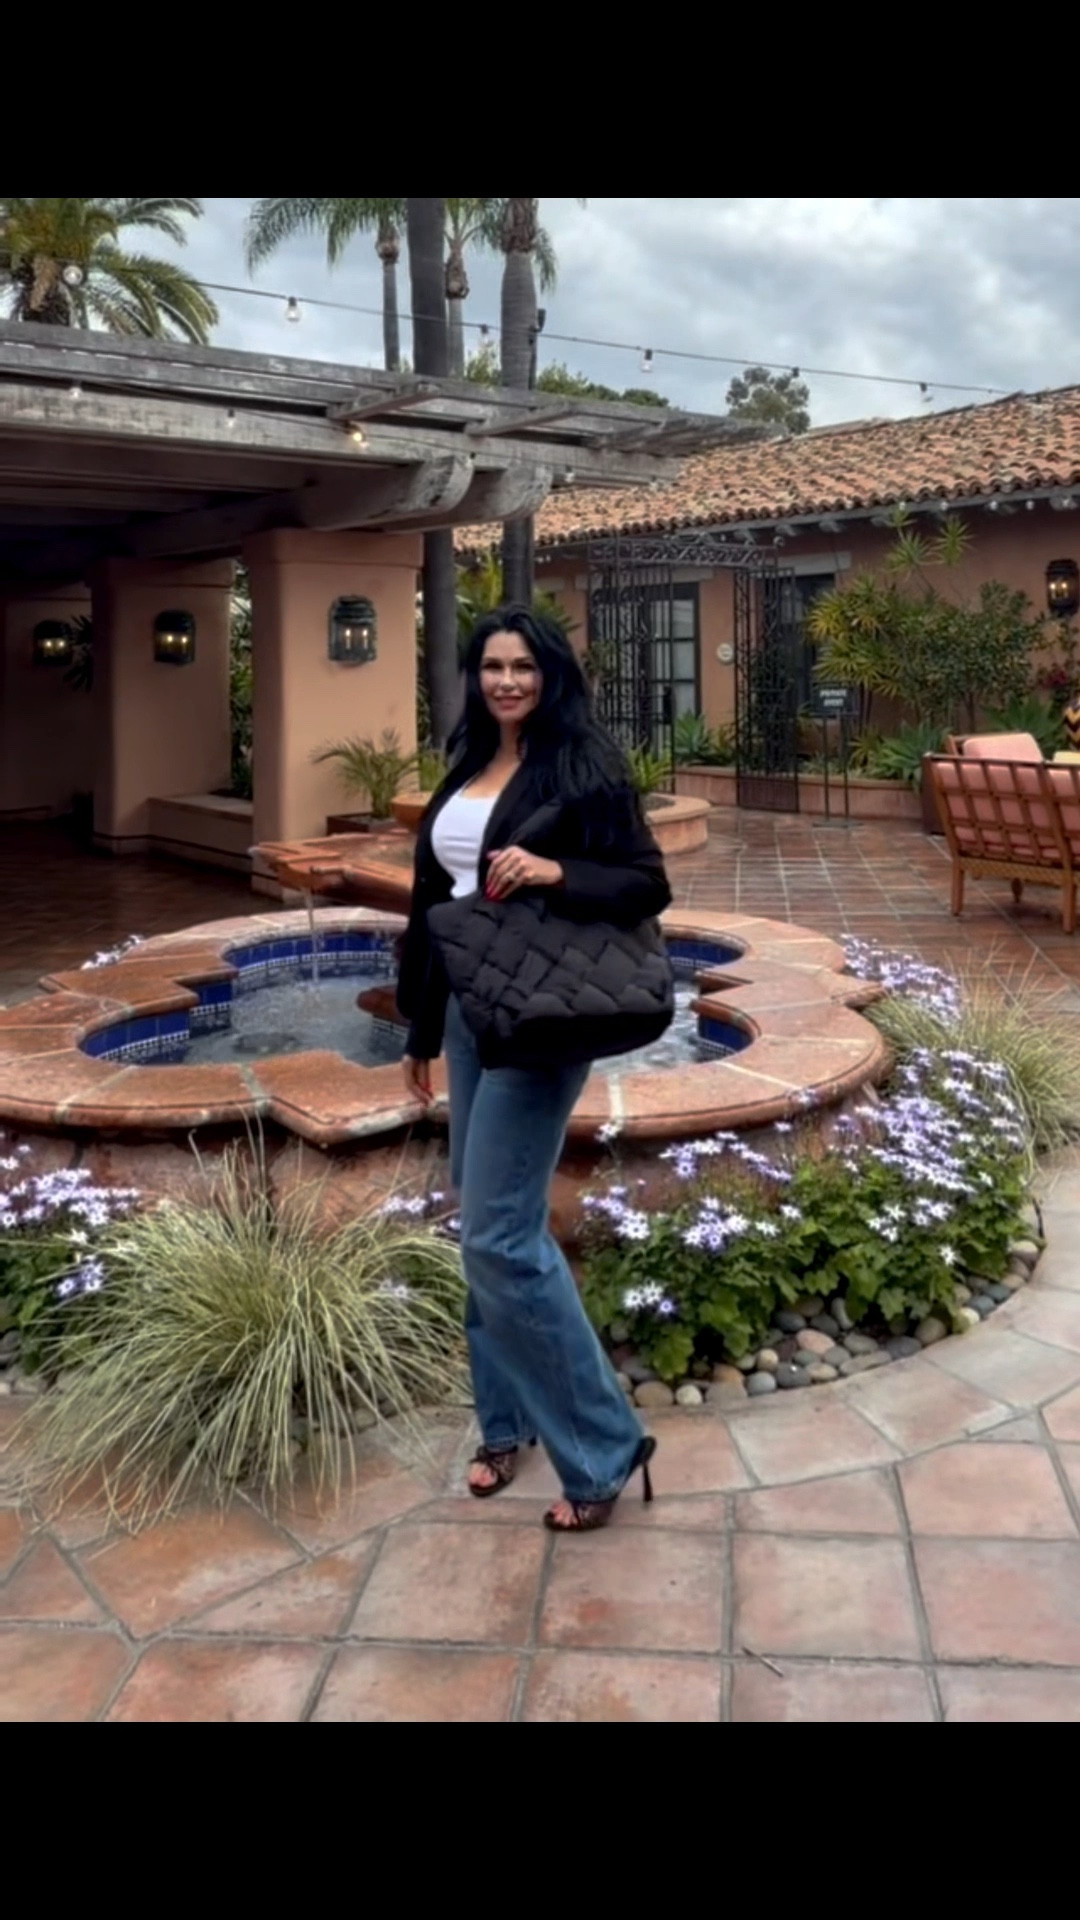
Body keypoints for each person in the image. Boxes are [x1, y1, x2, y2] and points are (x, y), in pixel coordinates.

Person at [397, 605, 673, 1533]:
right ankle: (502, 1425)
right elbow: (432, 902)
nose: (506, 681)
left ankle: (601, 1444)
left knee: (498, 1236)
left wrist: (557, 873)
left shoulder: (583, 766)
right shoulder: (470, 765)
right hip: (474, 1013)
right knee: (482, 1222)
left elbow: (646, 882)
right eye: (491, 666)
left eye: (523, 666)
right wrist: (419, 1029)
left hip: (545, 1020)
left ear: (552, 674)